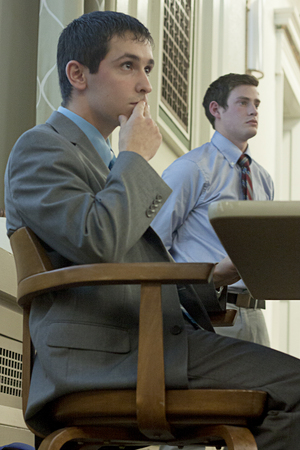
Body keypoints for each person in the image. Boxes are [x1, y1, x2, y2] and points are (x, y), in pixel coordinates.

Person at [4, 12, 300, 449]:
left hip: (155, 342)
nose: (145, 84)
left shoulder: (107, 159)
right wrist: (136, 159)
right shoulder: (42, 146)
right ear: (77, 74)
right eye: (128, 66)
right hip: (111, 357)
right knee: (294, 388)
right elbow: (97, 242)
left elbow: (127, 260)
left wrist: (212, 277)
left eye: (148, 68)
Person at [152, 73, 273, 346]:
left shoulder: (263, 179)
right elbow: (152, 247)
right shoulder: (191, 169)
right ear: (216, 109)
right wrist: (211, 275)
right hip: (205, 312)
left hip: (254, 313)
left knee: (272, 389)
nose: (254, 110)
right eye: (243, 102)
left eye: (257, 103)